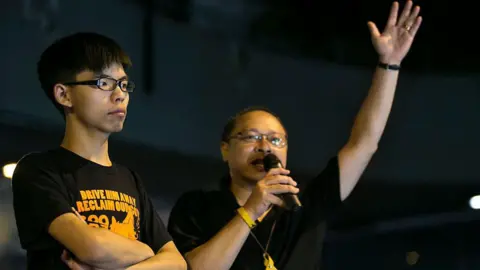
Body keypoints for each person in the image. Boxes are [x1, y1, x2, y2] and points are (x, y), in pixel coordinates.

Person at [167, 1, 422, 269]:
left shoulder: (304, 206)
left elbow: (364, 143)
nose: (265, 147)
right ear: (224, 149)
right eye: (251, 137)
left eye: (276, 140)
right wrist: (251, 210)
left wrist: (389, 65)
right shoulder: (197, 207)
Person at [11, 32, 187, 270]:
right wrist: (145, 251)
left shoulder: (129, 179)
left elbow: (176, 263)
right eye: (103, 83)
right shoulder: (38, 170)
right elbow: (91, 247)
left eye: (124, 85)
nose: (120, 95)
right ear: (64, 94)